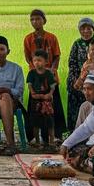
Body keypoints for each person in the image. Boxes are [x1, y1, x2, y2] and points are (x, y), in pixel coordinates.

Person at [24, 8, 66, 136]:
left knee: (53, 108)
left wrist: (52, 70)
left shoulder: (51, 37)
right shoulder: (28, 39)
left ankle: (55, 136)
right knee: (35, 109)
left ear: (44, 21)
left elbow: (57, 55)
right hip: (35, 79)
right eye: (32, 19)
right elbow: (28, 58)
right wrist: (36, 71)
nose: (35, 22)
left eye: (38, 19)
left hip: (51, 77)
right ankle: (35, 137)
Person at [66, 17, 94, 130]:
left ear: (93, 29)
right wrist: (77, 80)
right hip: (77, 81)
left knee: (91, 109)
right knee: (75, 110)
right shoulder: (77, 44)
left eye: (88, 28)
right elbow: (72, 63)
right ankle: (75, 133)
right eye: (83, 28)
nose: (86, 31)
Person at [25, 50, 58, 150]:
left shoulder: (48, 73)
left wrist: (49, 94)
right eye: (35, 60)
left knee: (50, 122)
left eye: (39, 60)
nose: (36, 63)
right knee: (35, 122)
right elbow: (30, 85)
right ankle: (37, 142)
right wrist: (33, 93)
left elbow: (53, 86)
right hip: (35, 101)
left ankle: (51, 141)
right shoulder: (31, 73)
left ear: (46, 61)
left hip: (47, 102)